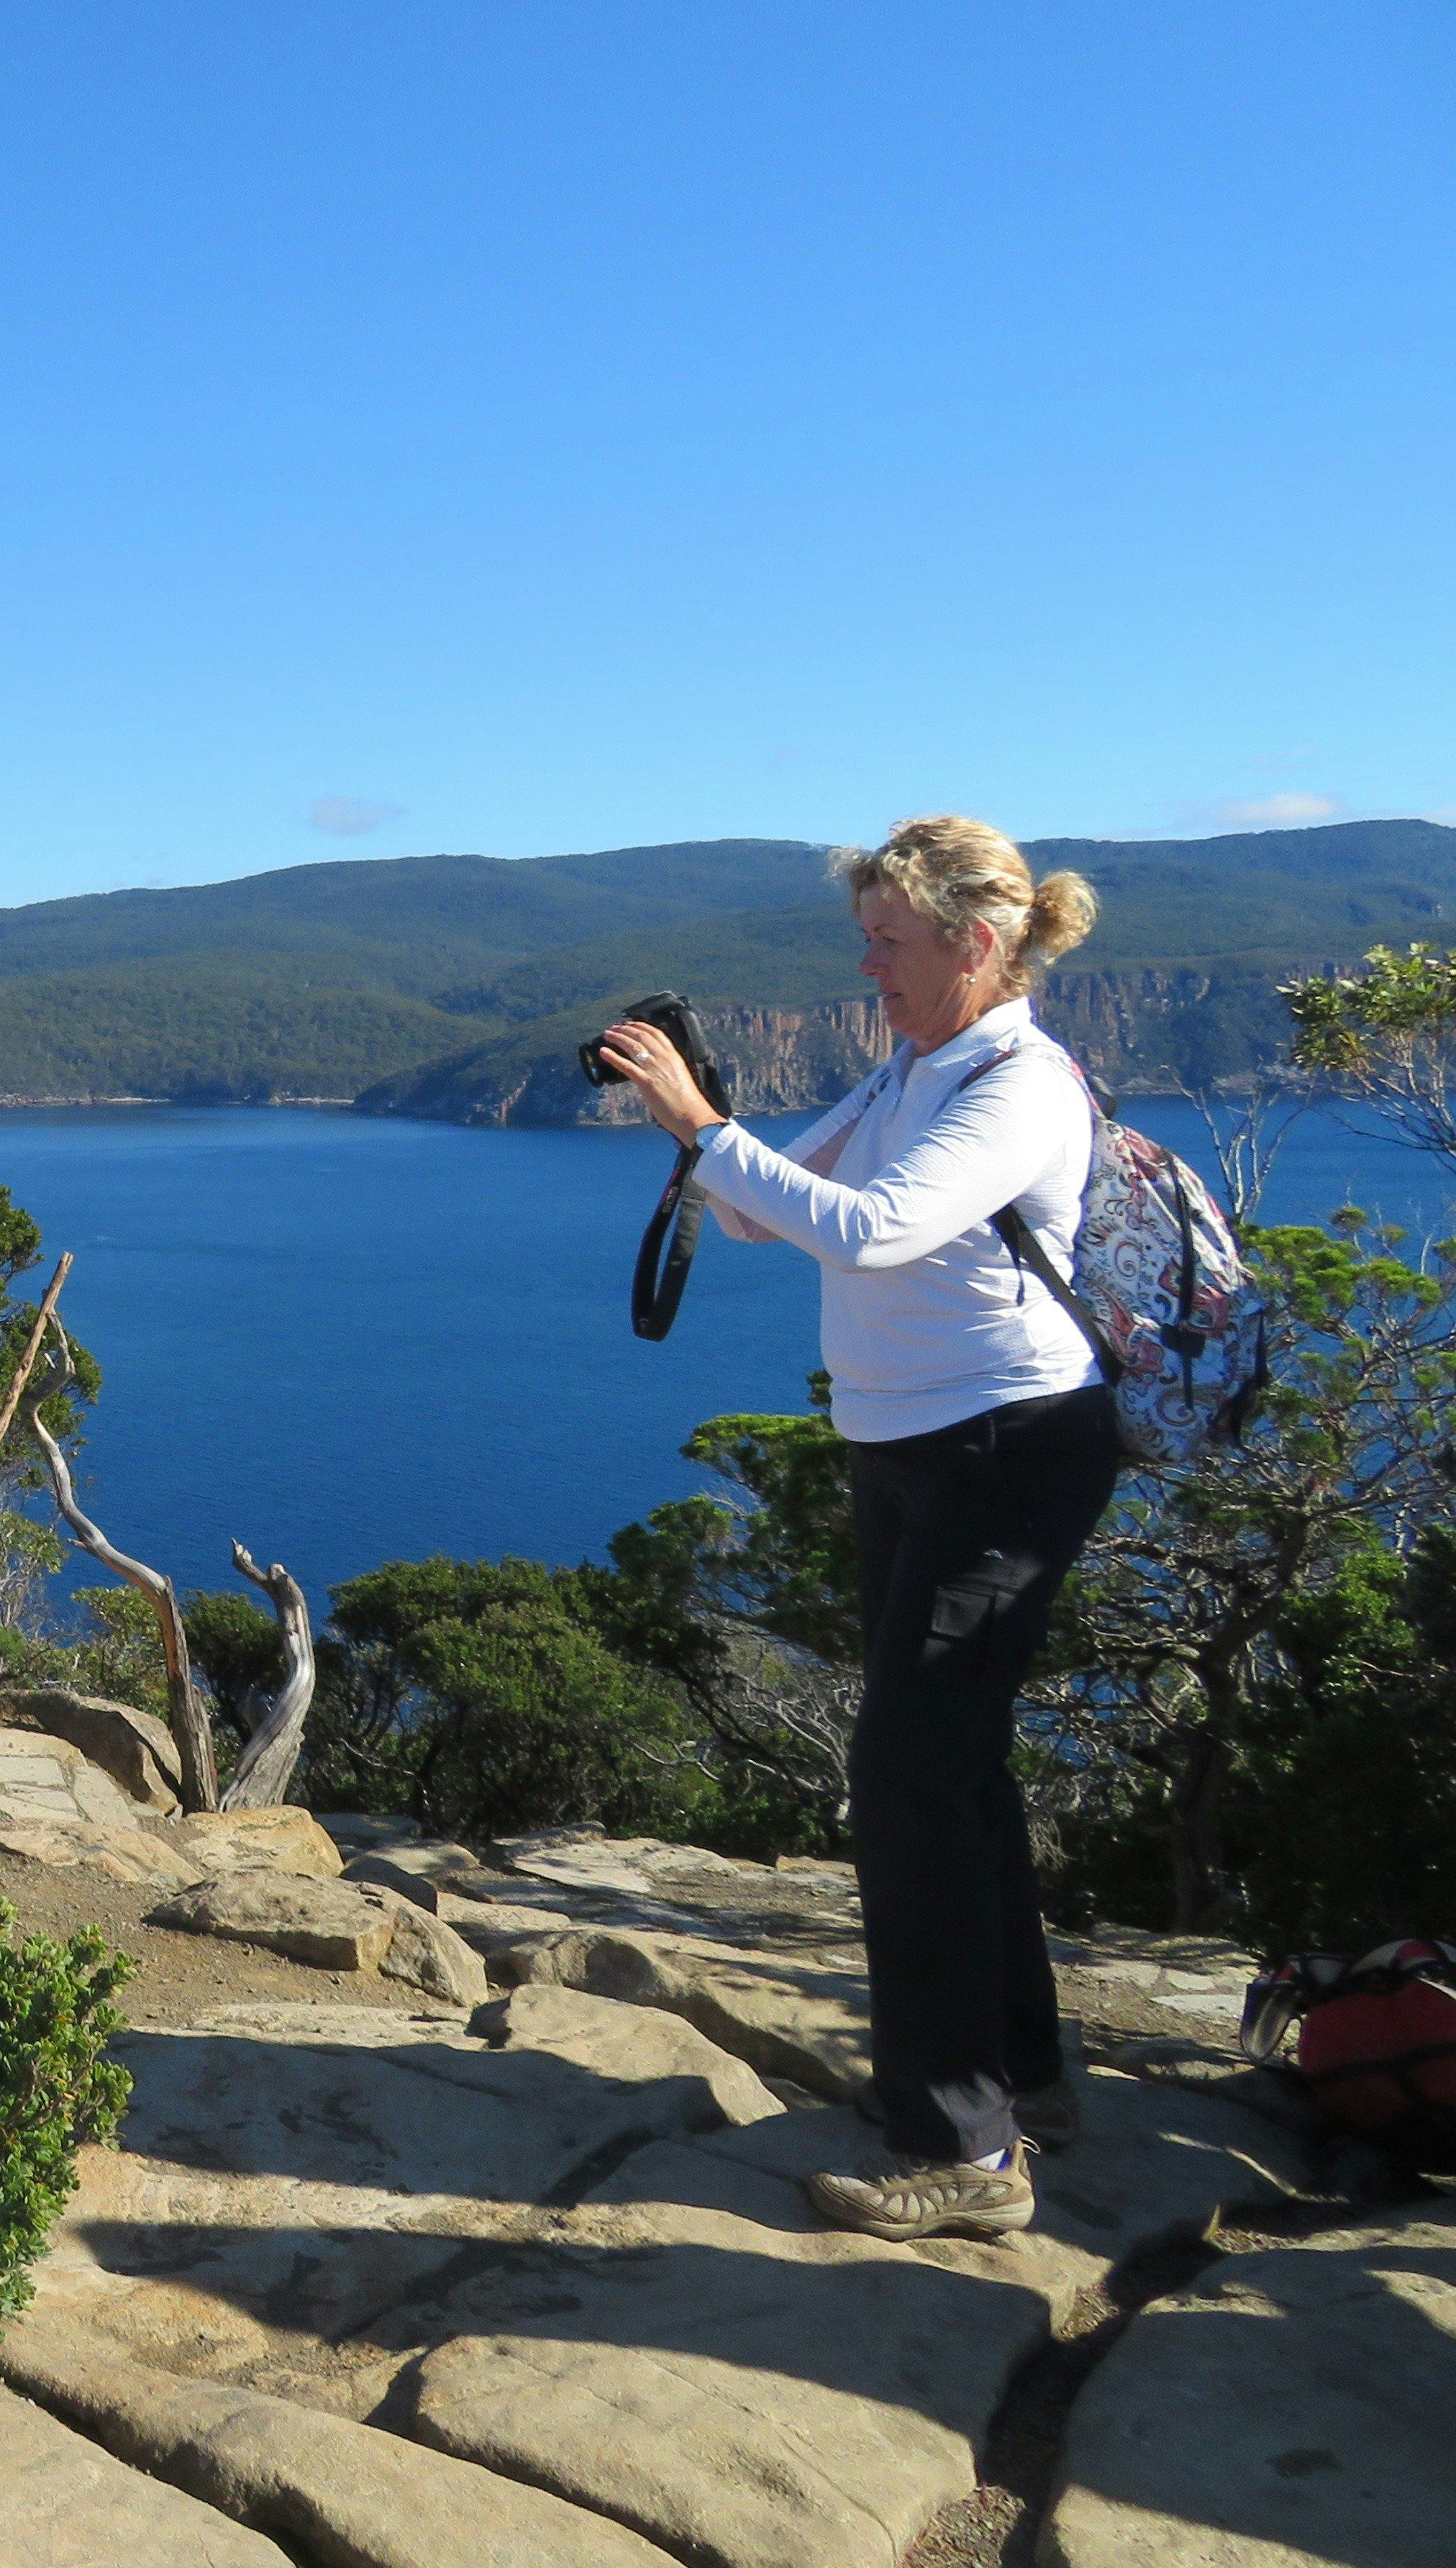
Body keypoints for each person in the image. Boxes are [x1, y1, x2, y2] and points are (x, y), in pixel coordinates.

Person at [596, 815, 1113, 2243]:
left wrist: (706, 1128)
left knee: (905, 1779)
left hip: (1004, 1451)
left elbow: (873, 1228)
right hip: (911, 1450)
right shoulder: (913, 1067)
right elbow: (763, 1219)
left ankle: (966, 2151)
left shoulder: (1016, 1084)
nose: (867, 965)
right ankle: (1021, 2078)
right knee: (949, 1770)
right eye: (865, 937)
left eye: (888, 941)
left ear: (974, 942)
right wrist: (695, 1119)